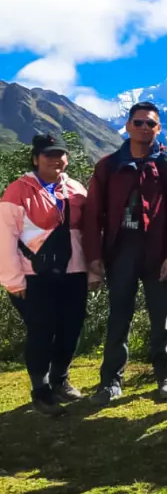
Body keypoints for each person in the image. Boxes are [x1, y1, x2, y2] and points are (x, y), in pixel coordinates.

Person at [83, 102, 167, 406]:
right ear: (128, 126)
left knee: (161, 316)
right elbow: (92, 215)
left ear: (158, 129)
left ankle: (166, 376)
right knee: (119, 316)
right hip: (120, 250)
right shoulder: (108, 166)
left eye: (151, 124)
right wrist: (94, 257)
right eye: (139, 122)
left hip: (157, 253)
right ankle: (110, 381)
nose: (145, 128)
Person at [0, 134, 89, 416]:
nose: (55, 159)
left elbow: (86, 231)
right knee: (41, 331)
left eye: (60, 153)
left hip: (74, 271)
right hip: (33, 276)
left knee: (70, 329)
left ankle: (60, 380)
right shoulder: (18, 190)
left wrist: (94, 267)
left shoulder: (76, 189)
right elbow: (4, 237)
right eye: (48, 154)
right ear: (36, 158)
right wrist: (13, 281)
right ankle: (41, 389)